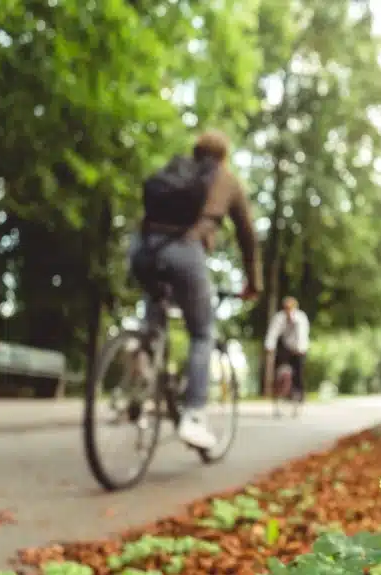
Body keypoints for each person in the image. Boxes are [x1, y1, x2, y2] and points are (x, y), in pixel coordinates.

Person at [129, 129, 262, 449]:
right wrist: (254, 282)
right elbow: (247, 235)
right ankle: (194, 417)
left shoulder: (176, 170)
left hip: (143, 248)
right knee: (202, 333)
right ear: (224, 156)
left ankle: (142, 380)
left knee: (154, 319)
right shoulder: (227, 181)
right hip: (186, 251)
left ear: (196, 150)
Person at [264, 297, 310, 404]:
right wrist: (269, 346)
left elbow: (302, 335)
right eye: (286, 308)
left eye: (290, 308)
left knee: (299, 370)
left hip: (300, 346)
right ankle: (278, 387)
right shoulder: (279, 318)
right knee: (278, 362)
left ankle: (299, 393)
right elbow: (273, 333)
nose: (288, 311)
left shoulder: (300, 318)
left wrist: (299, 349)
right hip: (286, 345)